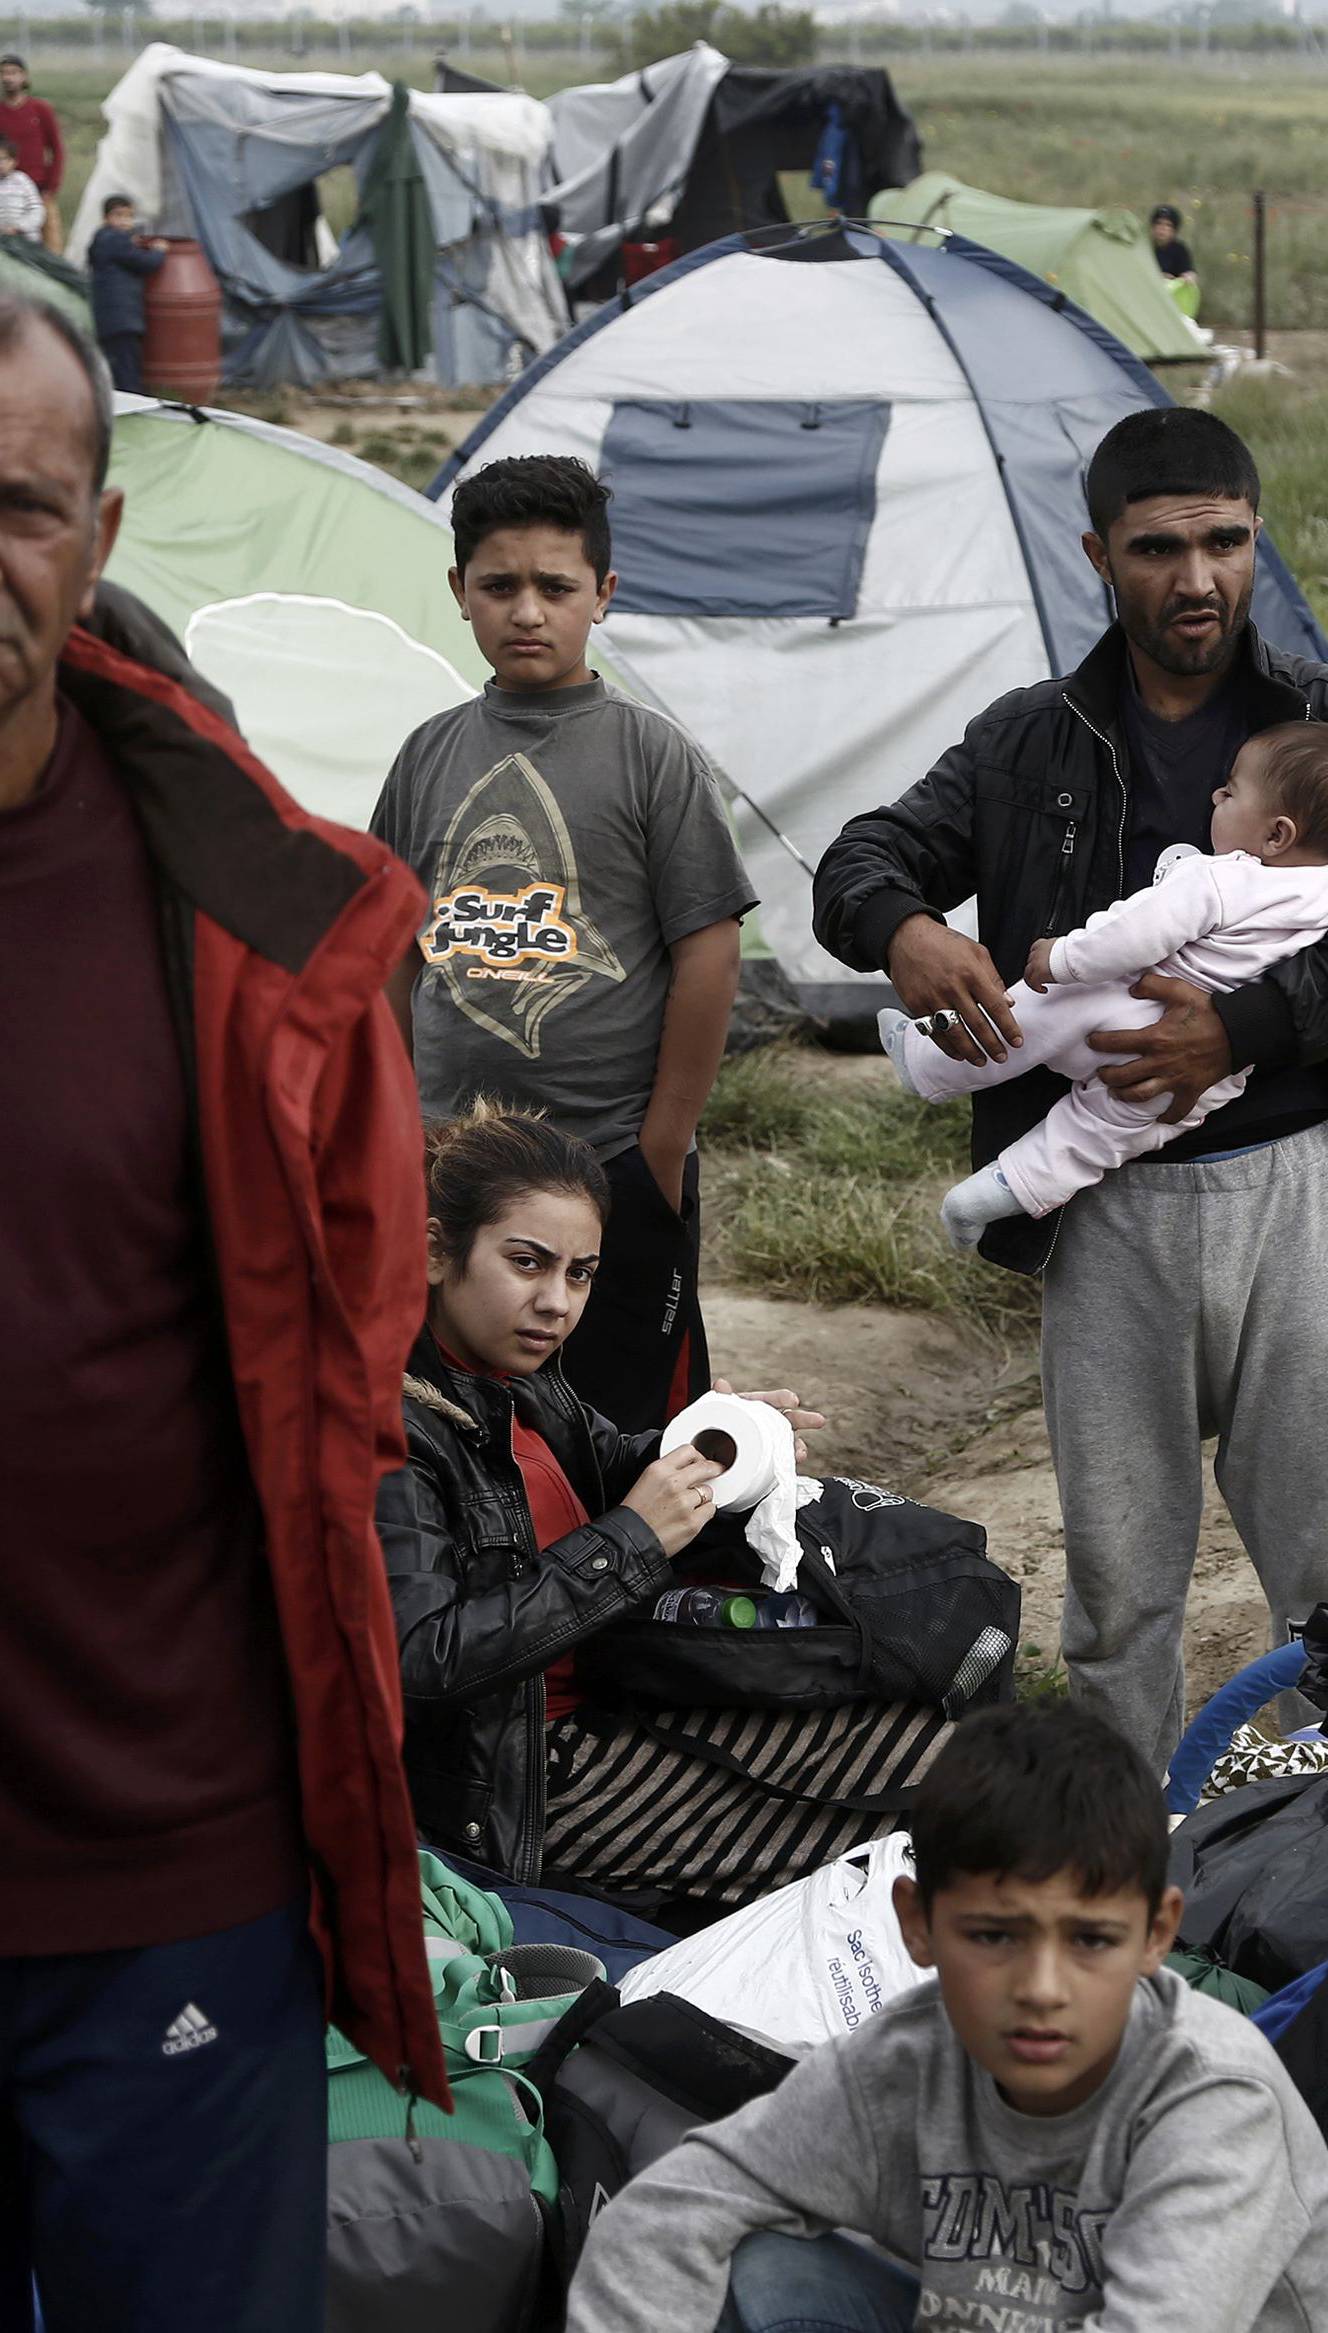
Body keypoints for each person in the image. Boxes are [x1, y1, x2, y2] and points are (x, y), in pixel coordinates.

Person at [813, 405, 1328, 1774]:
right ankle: (1125, 1870)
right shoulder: (1027, 742)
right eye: (1160, 548)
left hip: (1302, 1187)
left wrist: (1236, 1030)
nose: (1197, 578)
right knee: (1120, 1594)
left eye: (1226, 543)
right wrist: (905, 928)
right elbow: (861, 857)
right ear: (1098, 557)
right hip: (1107, 1211)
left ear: (1257, 542)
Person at [0, 293, 442, 2333]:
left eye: (12, 507)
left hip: (164, 1861)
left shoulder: (259, 915)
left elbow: (354, 1352)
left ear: (92, 540)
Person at [566, 1698, 1328, 2333]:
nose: (1042, 1987)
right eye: (994, 1936)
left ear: (1158, 1932)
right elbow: (675, 2208)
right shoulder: (905, 2058)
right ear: (917, 1922)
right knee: (758, 2269)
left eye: (1092, 1940)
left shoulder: (1215, 2105)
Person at [377, 1099, 953, 1901]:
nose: (557, 1302)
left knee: (947, 1746)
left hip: (626, 1697)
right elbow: (422, 1661)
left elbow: (610, 1462)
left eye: (580, 1273)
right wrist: (630, 1538)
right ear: (439, 1252)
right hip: (530, 1787)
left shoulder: (521, 1382)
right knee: (901, 1852)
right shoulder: (391, 1426)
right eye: (527, 1262)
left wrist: (721, 1445)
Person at [373, 453, 757, 1437]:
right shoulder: (426, 753)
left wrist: (663, 1144)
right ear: (459, 592)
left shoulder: (650, 754)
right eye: (500, 586)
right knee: (453, 1422)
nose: (528, 611)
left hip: (614, 1158)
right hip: (451, 1162)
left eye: (556, 586)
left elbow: (708, 952)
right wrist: (396, 1121)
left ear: (604, 594)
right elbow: (391, 950)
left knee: (622, 1422)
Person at [882, 721, 1328, 1249]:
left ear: (1276, 834)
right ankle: (1000, 1190)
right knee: (1098, 1133)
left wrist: (1062, 959)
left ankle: (925, 1062)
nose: (1216, 795)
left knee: (1030, 1017)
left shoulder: (1221, 877)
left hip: (1126, 1008)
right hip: (1206, 1074)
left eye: (1231, 791)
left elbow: (1134, 934)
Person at [86, 194, 165, 392]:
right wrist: (159, 251)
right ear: (106, 218)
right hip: (122, 318)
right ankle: (132, 407)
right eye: (118, 215)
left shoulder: (102, 239)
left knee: (114, 369)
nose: (124, 221)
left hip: (108, 318)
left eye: (128, 216)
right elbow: (146, 263)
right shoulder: (115, 240)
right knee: (127, 371)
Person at [0, 56, 61, 250]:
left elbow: (57, 149)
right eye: (4, 73)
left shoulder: (40, 109)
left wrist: (51, 187)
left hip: (39, 187)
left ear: (24, 77)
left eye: (13, 73)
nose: (8, 78)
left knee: (51, 243)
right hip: (7, 190)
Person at [1150, 202, 1200, 317]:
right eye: (1159, 224)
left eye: (1168, 225)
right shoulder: (1146, 248)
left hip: (1170, 301)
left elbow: (1188, 272)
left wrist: (1188, 278)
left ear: (1174, 230)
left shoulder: (1179, 250)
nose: (1162, 229)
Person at [0, 137, 44, 241]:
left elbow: (37, 209)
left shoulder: (22, 181)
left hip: (26, 239)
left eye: (4, 159)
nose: (0, 164)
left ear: (14, 161)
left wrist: (20, 226)